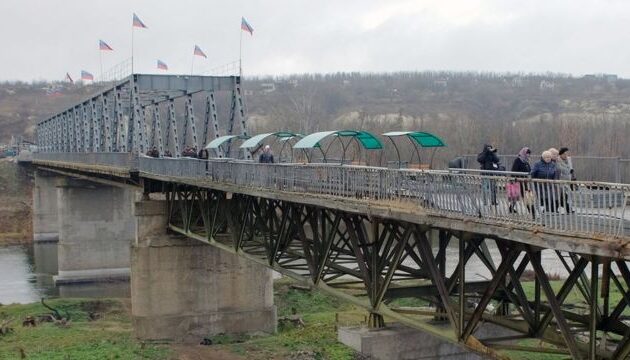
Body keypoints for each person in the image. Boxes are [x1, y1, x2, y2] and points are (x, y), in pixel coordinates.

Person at [511, 147, 533, 217]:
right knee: (515, 196)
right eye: (527, 153)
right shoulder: (518, 160)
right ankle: (530, 210)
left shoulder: (526, 161)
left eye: (529, 154)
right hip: (517, 180)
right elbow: (514, 170)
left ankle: (531, 210)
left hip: (524, 181)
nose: (528, 155)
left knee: (525, 195)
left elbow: (529, 170)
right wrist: (514, 179)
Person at [557, 147, 574, 212]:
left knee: (569, 194)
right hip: (561, 181)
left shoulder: (569, 159)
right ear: (560, 154)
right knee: (565, 195)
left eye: (567, 154)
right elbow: (560, 170)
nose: (566, 155)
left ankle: (569, 207)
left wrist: (572, 176)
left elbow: (571, 169)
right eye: (564, 154)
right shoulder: (558, 161)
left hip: (568, 180)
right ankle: (568, 208)